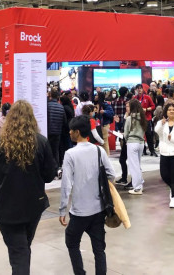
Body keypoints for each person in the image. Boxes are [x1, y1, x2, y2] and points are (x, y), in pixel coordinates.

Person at [0, 100, 56, 275]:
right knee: (22, 248)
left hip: (7, 208)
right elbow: (49, 175)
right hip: (33, 206)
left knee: (19, 252)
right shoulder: (41, 142)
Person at [59, 115, 115, 275]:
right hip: (98, 209)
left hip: (79, 212)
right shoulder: (98, 150)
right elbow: (111, 174)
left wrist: (62, 209)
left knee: (71, 242)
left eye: (71, 130)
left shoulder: (70, 154)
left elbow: (66, 184)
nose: (69, 133)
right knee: (99, 249)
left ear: (77, 132)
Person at [124, 99, 147, 195]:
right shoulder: (143, 118)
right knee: (138, 165)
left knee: (134, 166)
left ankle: (137, 188)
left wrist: (126, 140)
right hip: (141, 143)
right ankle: (140, 184)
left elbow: (126, 133)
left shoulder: (130, 118)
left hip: (132, 142)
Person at [135, 84, 157, 157]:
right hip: (138, 119)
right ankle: (142, 150)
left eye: (140, 88)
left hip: (147, 118)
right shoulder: (135, 98)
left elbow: (153, 106)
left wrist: (147, 109)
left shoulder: (147, 97)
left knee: (148, 135)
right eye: (138, 89)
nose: (139, 90)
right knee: (140, 135)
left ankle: (152, 150)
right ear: (136, 90)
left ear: (142, 89)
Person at [47, 88, 67, 167]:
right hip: (57, 133)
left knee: (47, 151)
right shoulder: (61, 107)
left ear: (50, 95)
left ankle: (48, 169)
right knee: (55, 151)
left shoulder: (46, 106)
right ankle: (56, 169)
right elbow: (64, 122)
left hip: (47, 132)